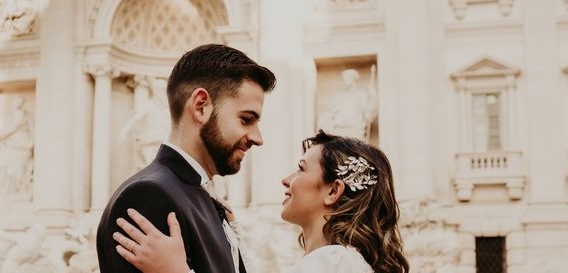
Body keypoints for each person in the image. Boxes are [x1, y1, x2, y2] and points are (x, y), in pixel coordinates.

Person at [113, 131, 409, 273]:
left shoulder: (335, 262)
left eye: (301, 168)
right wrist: (233, 235)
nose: (286, 179)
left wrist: (174, 270)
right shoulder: (336, 261)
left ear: (333, 192)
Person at [96, 43, 277, 273]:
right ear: (201, 107)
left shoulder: (207, 200)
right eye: (246, 119)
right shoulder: (147, 196)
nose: (257, 138)